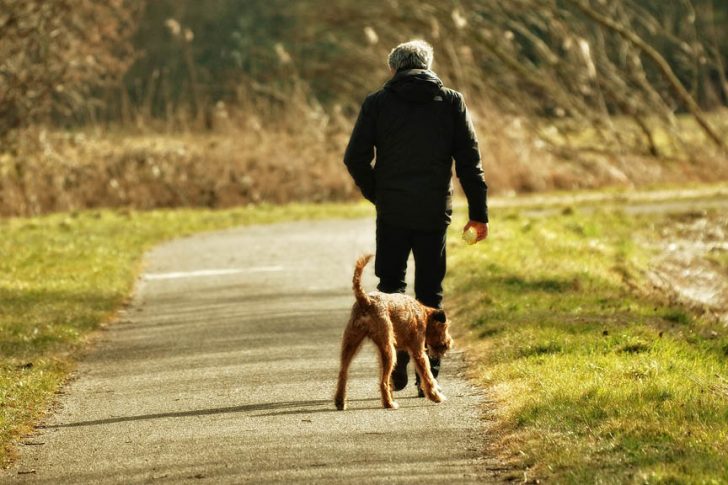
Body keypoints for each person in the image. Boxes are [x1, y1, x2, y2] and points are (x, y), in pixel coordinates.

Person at [343, 39, 488, 396]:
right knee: (430, 290)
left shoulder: (377, 103)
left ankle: (398, 366)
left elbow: (355, 157)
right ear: (428, 65)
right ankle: (431, 370)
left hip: (392, 211)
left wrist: (377, 193)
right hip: (433, 210)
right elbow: (469, 162)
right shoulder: (451, 101)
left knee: (390, 287)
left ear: (394, 69)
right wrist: (479, 214)